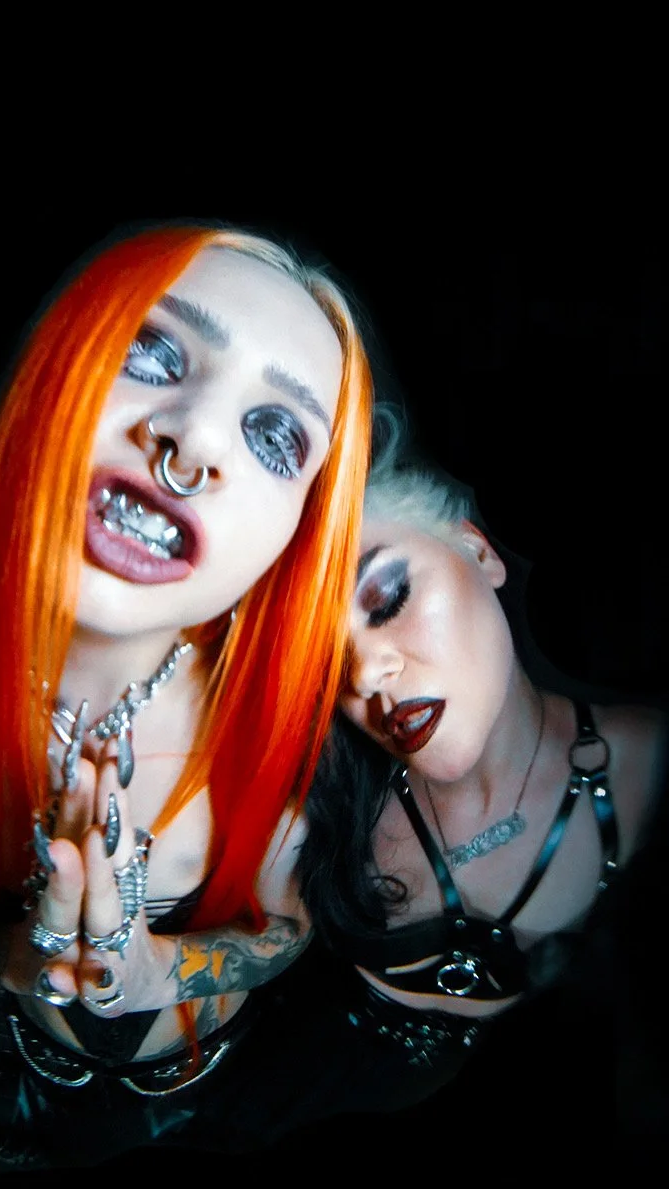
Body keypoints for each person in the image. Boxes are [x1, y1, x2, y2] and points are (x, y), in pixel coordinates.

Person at [0, 220, 374, 1167]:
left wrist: (158, 972)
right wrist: (5, 957)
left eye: (275, 435)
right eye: (151, 351)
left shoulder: (297, 739)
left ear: (294, 537)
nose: (194, 438)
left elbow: (288, 928)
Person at [286, 455, 668, 1124]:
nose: (365, 674)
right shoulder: (323, 806)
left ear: (479, 552)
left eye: (387, 597)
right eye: (325, 657)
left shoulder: (653, 765)